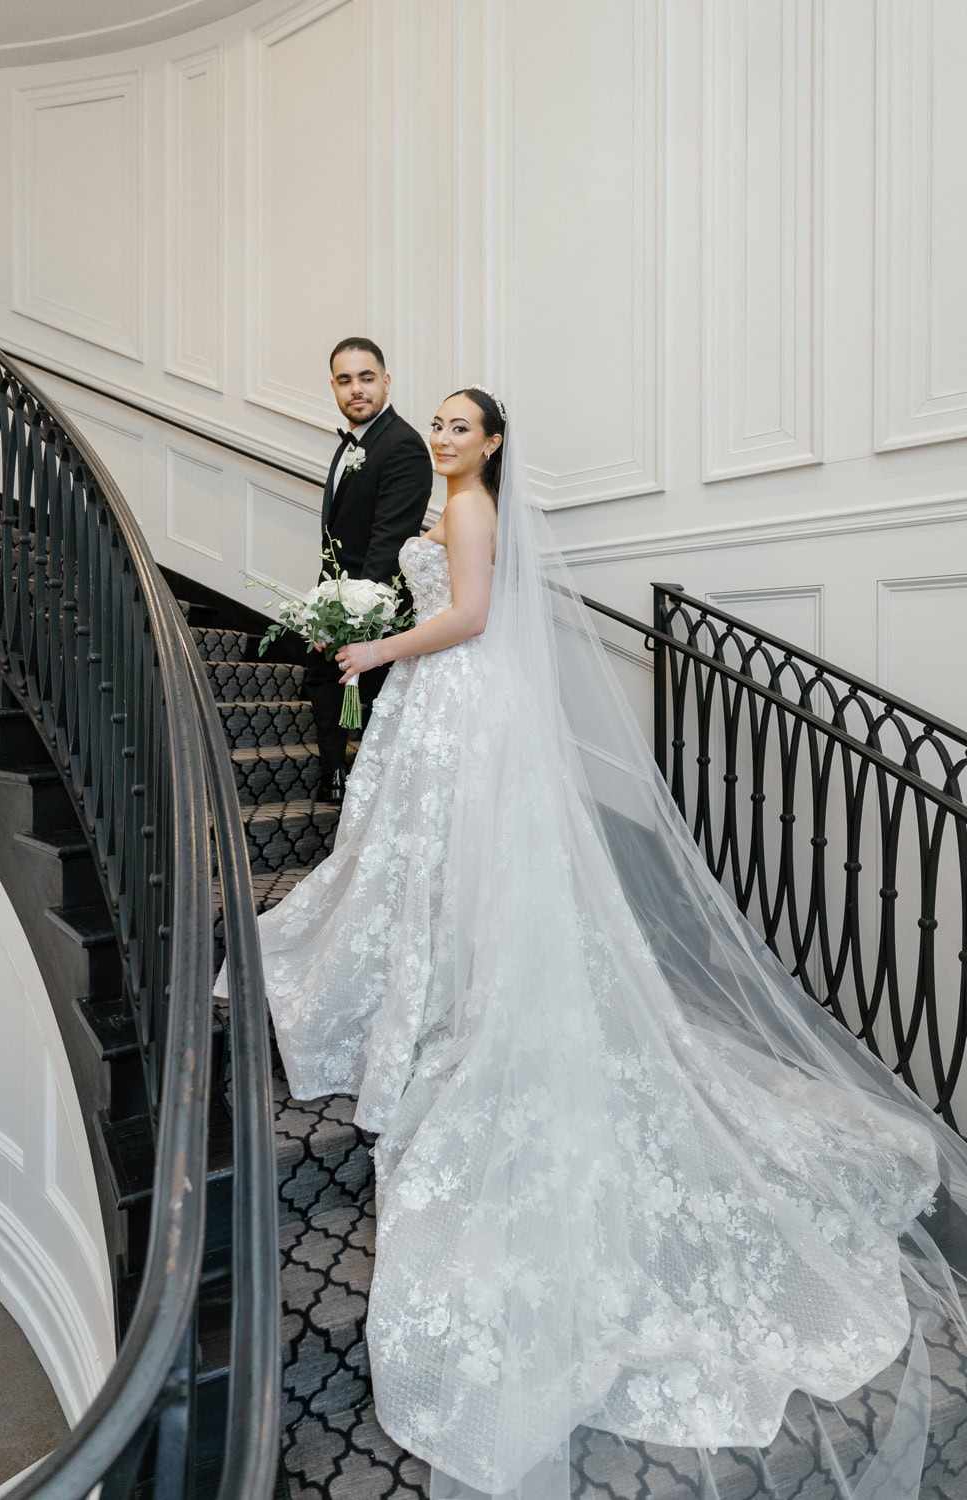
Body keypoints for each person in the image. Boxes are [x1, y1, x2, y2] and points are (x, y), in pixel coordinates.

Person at [237, 389, 967, 1500]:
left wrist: (376, 644)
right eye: (434, 422)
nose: (441, 437)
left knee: (451, 863)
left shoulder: (473, 511)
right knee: (413, 865)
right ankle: (422, 980)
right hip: (429, 707)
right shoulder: (447, 504)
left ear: (489, 445)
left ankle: (453, 999)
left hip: (456, 696)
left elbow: (473, 618)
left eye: (458, 427)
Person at [305, 337, 432, 802]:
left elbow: (389, 541)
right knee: (321, 678)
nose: (355, 389)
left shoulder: (403, 446)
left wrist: (357, 615)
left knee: (372, 699)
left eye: (365, 378)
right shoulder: (352, 445)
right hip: (340, 596)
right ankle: (335, 775)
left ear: (386, 381)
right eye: (344, 380)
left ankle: (364, 791)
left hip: (376, 607)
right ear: (334, 387)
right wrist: (322, 611)